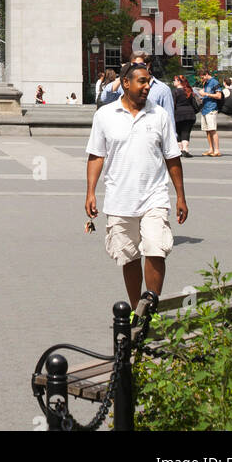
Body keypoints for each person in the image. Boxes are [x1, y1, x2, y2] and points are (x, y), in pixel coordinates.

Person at [85, 61, 188, 304]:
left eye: (149, 81)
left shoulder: (159, 115)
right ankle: (135, 311)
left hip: (154, 196)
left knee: (156, 250)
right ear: (125, 83)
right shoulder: (104, 116)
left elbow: (172, 157)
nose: (147, 86)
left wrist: (181, 196)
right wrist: (90, 192)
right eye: (142, 81)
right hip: (119, 198)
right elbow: (96, 156)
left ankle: (150, 311)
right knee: (128, 256)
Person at [198, 67, 222, 156]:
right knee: (207, 130)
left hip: (212, 108)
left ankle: (217, 150)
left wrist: (206, 94)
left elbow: (219, 96)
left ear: (207, 74)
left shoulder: (214, 82)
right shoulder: (206, 83)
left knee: (212, 130)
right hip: (205, 108)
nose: (201, 79)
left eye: (202, 77)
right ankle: (211, 149)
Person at [172, 75, 198, 157]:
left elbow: (173, 104)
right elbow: (194, 104)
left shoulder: (175, 92)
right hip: (189, 114)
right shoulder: (188, 91)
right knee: (186, 132)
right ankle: (185, 150)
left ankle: (179, 150)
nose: (174, 82)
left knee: (178, 132)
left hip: (178, 114)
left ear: (179, 82)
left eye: (175, 80)